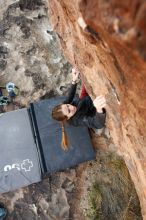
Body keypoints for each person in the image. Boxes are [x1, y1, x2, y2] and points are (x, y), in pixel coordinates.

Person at [52, 67, 106, 150]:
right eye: (69, 111)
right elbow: (98, 124)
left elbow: (70, 96)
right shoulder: (77, 120)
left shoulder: (65, 106)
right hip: (93, 107)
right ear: (68, 117)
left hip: (84, 100)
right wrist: (99, 109)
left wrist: (74, 80)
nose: (71, 107)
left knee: (87, 75)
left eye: (67, 106)